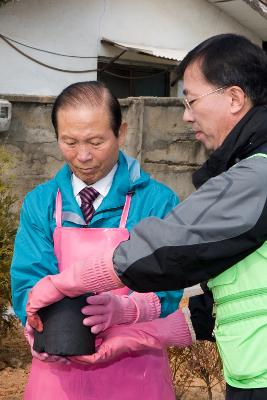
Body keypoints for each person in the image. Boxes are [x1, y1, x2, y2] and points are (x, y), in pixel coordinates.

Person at [25, 34, 267, 400]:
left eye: (192, 100)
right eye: (70, 142)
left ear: (234, 98)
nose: (185, 115)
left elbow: (170, 248)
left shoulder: (255, 175)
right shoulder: (41, 202)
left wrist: (73, 287)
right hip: (250, 375)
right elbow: (220, 302)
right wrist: (136, 334)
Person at [11, 81, 192, 400]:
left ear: (121, 133)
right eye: (69, 142)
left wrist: (125, 309)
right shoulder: (41, 203)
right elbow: (29, 279)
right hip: (56, 374)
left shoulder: (155, 202)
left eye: (96, 141)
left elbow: (167, 288)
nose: (83, 156)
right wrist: (36, 324)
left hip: (137, 374)